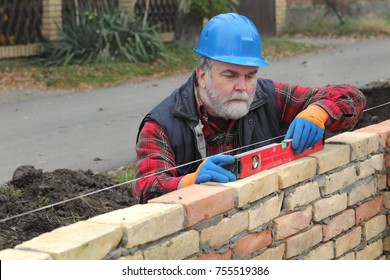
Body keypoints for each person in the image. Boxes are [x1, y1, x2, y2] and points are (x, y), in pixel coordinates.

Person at [133, 13, 366, 203]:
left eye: (250, 76)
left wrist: (319, 112)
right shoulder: (163, 124)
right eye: (230, 75)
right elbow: (147, 187)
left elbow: (351, 96)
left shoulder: (267, 97)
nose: (242, 88)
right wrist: (188, 182)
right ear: (203, 75)